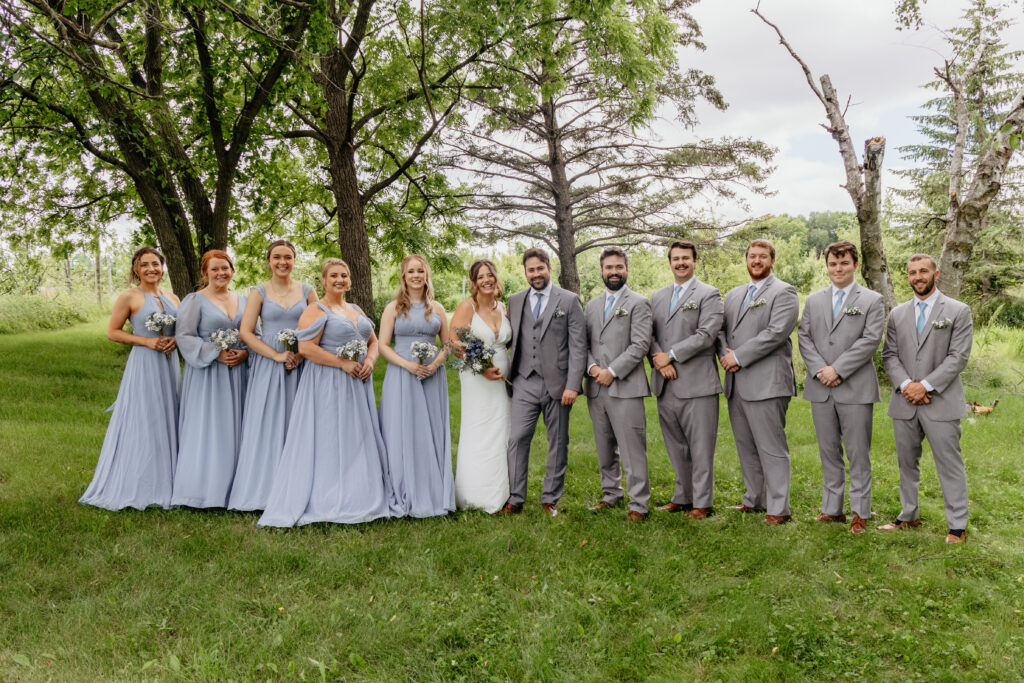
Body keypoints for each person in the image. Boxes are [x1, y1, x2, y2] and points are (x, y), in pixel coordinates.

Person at [259, 258, 393, 527]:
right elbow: (306, 348)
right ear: (323, 280)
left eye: (344, 275)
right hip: (327, 382)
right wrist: (342, 363)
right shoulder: (315, 309)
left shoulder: (356, 308)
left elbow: (373, 342)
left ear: (350, 279)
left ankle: (359, 491)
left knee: (356, 436)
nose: (339, 280)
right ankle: (328, 494)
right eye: (333, 276)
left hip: (357, 384)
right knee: (330, 436)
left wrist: (369, 361)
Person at [879, 254, 972, 543]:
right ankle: (909, 515)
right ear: (907, 276)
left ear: (936, 273)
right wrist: (907, 385)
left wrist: (927, 386)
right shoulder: (897, 314)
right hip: (904, 402)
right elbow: (889, 355)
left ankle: (957, 525)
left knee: (949, 464)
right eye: (912, 272)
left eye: (923, 271)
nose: (918, 277)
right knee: (907, 463)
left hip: (941, 402)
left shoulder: (958, 311)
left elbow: (958, 357)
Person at [80, 247, 181, 511]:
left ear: (163, 266)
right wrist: (146, 341)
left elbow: (182, 330)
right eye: (145, 264)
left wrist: (175, 339)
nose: (151, 269)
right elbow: (113, 332)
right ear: (136, 269)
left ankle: (170, 481)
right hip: (145, 364)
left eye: (156, 264)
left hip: (169, 366)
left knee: (169, 415)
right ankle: (139, 482)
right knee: (145, 417)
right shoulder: (129, 296)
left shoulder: (173, 297)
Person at [797, 240, 884, 534]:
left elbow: (870, 340)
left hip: (855, 387)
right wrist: (821, 370)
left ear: (855, 265)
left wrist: (839, 369)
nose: (838, 269)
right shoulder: (814, 300)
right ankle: (832, 508)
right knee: (828, 450)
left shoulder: (872, 300)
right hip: (821, 386)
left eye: (844, 263)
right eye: (833, 264)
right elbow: (804, 338)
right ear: (827, 267)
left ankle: (860, 511)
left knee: (858, 452)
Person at [228, 239, 317, 511]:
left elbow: (319, 326)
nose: (282, 262)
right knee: (268, 421)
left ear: (294, 260)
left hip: (302, 363)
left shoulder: (307, 291)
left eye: (288, 257)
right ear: (269, 261)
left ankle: (302, 486)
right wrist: (277, 355)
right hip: (269, 362)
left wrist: (301, 353)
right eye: (277, 257)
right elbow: (245, 332)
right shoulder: (258, 292)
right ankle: (264, 491)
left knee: (301, 423)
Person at [717, 239, 799, 525]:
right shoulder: (733, 295)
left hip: (767, 382)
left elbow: (777, 333)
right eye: (752, 256)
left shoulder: (784, 292)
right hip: (736, 382)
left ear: (772, 260)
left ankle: (778, 508)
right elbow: (720, 332)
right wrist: (725, 355)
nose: (756, 260)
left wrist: (739, 356)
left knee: (771, 447)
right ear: (746, 259)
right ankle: (754, 499)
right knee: (746, 444)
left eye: (762, 256)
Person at [499, 247, 585, 517]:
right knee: (517, 438)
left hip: (558, 384)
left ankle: (550, 498)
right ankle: (515, 497)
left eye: (540, 268)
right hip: (523, 380)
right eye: (530, 270)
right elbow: (507, 338)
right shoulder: (515, 300)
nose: (535, 274)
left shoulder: (569, 300)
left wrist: (573, 384)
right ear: (525, 272)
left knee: (558, 441)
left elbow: (578, 346)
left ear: (549, 267)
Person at [648, 241, 724, 519]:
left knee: (701, 446)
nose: (680, 263)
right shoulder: (657, 296)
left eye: (686, 258)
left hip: (697, 384)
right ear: (669, 262)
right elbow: (648, 333)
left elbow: (706, 335)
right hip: (665, 383)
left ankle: (702, 503)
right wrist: (658, 358)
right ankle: (682, 496)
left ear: (695, 261)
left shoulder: (709, 294)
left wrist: (670, 355)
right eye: (675, 258)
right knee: (675, 445)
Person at [377, 254, 454, 518]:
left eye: (420, 271)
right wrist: (408, 365)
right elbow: (382, 345)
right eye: (411, 272)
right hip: (402, 375)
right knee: (403, 429)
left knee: (430, 429)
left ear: (426, 275)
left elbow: (447, 344)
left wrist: (435, 365)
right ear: (404, 276)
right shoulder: (393, 308)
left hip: (432, 377)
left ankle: (432, 490)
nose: (416, 276)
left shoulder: (439, 308)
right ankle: (403, 488)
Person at [172, 250, 249, 508]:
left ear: (232, 271)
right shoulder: (195, 300)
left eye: (225, 268)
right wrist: (215, 354)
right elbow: (184, 335)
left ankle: (236, 490)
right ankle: (203, 492)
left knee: (236, 425)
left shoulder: (245, 300)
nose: (220, 273)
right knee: (210, 426)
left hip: (238, 373)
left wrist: (245, 353)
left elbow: (253, 334)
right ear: (205, 273)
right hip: (208, 373)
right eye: (214, 269)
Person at [584, 247, 653, 521]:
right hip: (596, 387)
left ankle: (639, 504)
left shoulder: (639, 303)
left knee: (632, 448)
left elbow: (640, 345)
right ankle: (610, 494)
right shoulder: (590, 306)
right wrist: (592, 368)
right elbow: (583, 344)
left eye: (619, 267)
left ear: (626, 269)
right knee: (604, 446)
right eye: (609, 267)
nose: (614, 272)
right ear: (601, 271)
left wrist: (612, 371)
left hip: (625, 387)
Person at [450, 259, 512, 514]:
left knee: (501, 432)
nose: (486, 280)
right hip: (477, 378)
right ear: (474, 282)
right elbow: (453, 343)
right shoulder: (468, 307)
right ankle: (473, 495)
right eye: (480, 277)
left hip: (503, 379)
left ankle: (502, 492)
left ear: (496, 277)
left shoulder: (503, 307)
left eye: (490, 275)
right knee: (479, 430)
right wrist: (480, 366)